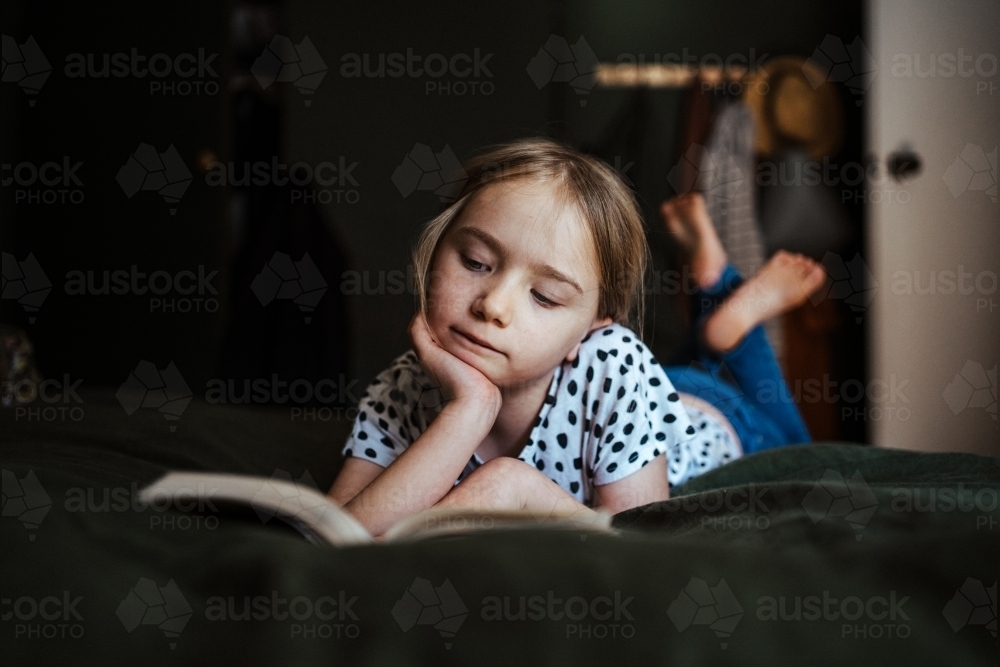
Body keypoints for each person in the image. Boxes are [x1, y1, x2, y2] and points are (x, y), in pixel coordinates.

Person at [328, 139, 822, 536]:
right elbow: (334, 532)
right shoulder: (405, 385)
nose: (492, 305)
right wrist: (469, 409)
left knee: (787, 428)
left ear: (592, 326)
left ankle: (727, 300)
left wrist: (515, 486)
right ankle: (716, 303)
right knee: (695, 356)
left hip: (718, 416)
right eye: (476, 263)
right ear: (436, 250)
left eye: (544, 296)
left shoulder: (615, 363)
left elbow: (641, 536)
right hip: (639, 389)